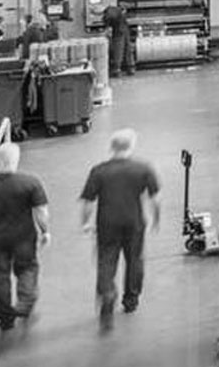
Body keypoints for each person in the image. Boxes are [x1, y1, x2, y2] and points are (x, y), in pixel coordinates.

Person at [79, 129, 160, 327]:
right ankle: (131, 300)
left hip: (107, 223)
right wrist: (156, 220)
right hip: (134, 222)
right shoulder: (143, 168)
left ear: (111, 147)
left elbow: (88, 202)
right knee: (134, 260)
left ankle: (107, 293)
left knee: (106, 261)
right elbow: (155, 199)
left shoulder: (99, 171)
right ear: (131, 146)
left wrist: (85, 223)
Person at [0, 144, 50, 330]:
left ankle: (5, 317)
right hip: (24, 236)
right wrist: (45, 231)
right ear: (16, 160)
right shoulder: (30, 183)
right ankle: (25, 303)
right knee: (27, 268)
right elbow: (41, 211)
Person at [101, 4, 133, 76]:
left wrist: (106, 28)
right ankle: (130, 67)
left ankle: (117, 69)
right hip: (124, 28)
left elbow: (107, 23)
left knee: (118, 48)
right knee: (127, 48)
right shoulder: (118, 11)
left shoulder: (109, 13)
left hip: (118, 30)